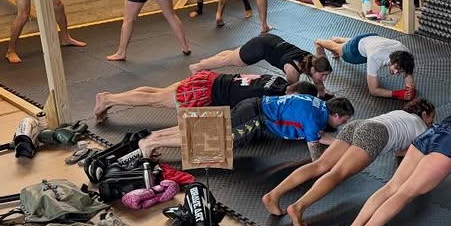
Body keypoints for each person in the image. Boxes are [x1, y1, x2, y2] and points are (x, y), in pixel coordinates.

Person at [263, 98, 437, 226]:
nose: (432, 122)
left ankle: (273, 195)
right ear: (424, 114)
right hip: (374, 134)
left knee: (321, 164)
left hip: (358, 125)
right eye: (432, 117)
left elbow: (399, 151)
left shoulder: (400, 113)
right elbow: (418, 155)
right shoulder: (422, 128)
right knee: (338, 174)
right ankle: (298, 207)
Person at [139, 93, 354, 163]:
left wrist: (344, 145)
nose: (341, 125)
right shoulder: (314, 120)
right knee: (208, 140)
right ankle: (152, 142)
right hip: (254, 118)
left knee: (203, 126)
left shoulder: (317, 103)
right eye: (343, 121)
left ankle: (154, 136)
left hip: (252, 104)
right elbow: (316, 157)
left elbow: (319, 135)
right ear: (335, 115)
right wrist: (333, 165)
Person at [93, 70, 305, 123]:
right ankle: (108, 100)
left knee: (159, 94)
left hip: (209, 79)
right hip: (203, 92)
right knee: (155, 99)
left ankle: (110, 97)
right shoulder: (271, 96)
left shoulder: (277, 80)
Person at [191, 33, 332, 91]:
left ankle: (205, 62)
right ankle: (197, 67)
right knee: (229, 60)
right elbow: (291, 92)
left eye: (326, 75)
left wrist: (323, 96)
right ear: (313, 70)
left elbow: (319, 84)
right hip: (260, 48)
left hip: (271, 40)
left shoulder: (313, 60)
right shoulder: (292, 71)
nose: (324, 78)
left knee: (231, 56)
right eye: (323, 75)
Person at [316, 33, 415, 99]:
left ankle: (338, 40)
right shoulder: (376, 58)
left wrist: (410, 89)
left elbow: (408, 73)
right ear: (393, 60)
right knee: (338, 49)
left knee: (349, 44)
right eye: (397, 68)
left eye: (400, 71)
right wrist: (397, 94)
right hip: (356, 50)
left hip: (372, 38)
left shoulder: (405, 54)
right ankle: (319, 42)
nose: (396, 72)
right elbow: (373, 90)